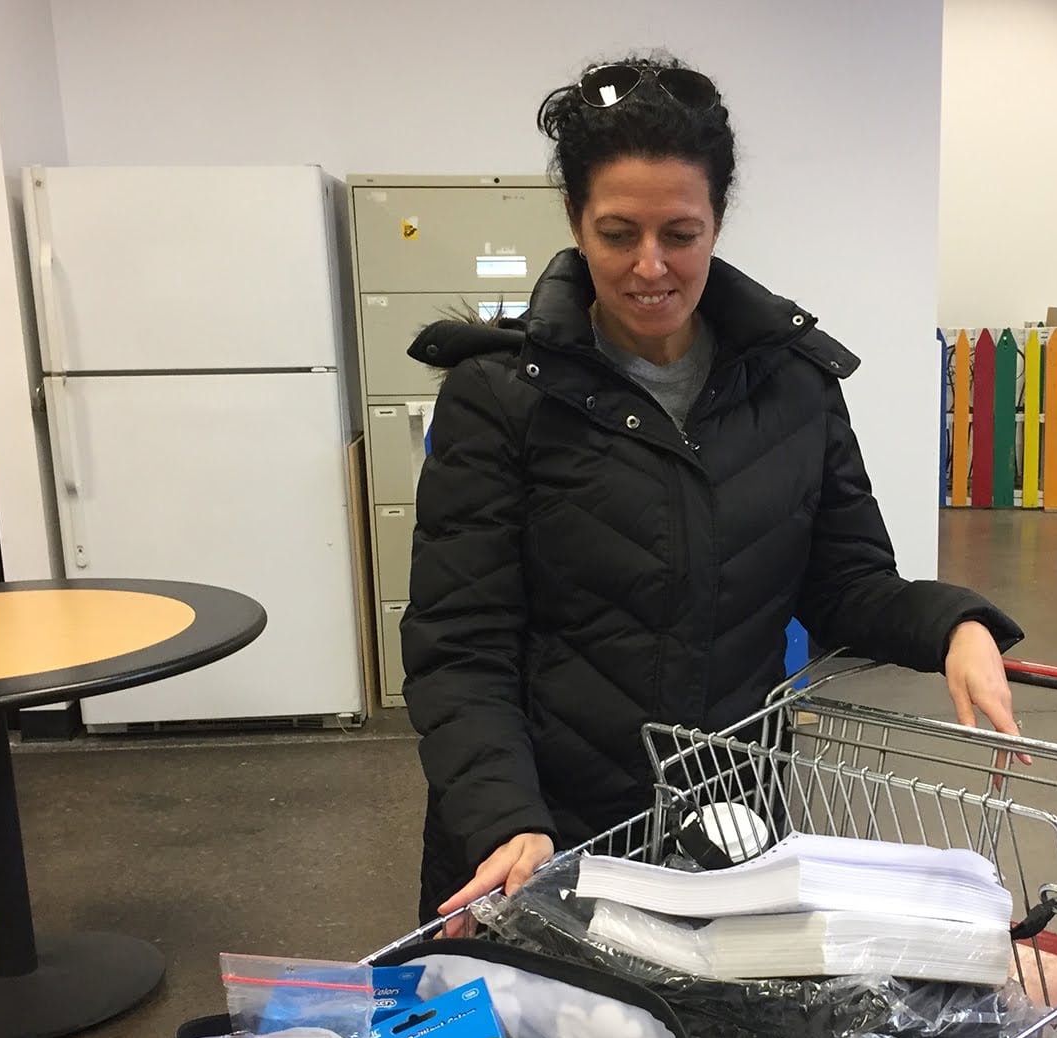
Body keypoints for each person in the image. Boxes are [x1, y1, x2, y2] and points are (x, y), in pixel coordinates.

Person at [402, 55, 1024, 927]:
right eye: (618, 233)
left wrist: (954, 623)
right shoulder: (500, 396)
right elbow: (461, 644)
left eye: (680, 233)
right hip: (538, 841)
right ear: (577, 223)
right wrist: (504, 817)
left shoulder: (793, 385)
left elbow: (844, 583)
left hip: (728, 829)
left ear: (718, 222)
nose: (650, 266)